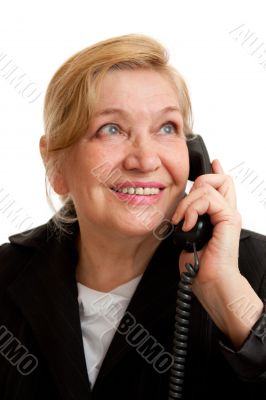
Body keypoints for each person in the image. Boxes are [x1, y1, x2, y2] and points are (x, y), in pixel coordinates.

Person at [0, 33, 266, 400]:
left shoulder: (255, 268)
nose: (144, 160)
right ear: (55, 163)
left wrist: (229, 298)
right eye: (112, 129)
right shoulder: (7, 273)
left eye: (166, 128)